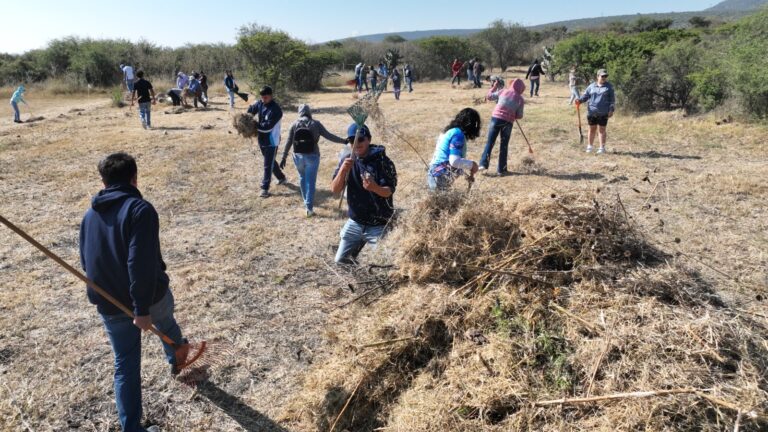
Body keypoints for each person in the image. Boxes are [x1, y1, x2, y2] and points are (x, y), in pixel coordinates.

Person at [80, 152, 187, 432]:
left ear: (103, 182)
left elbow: (86, 259)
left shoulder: (89, 214)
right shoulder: (141, 210)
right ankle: (177, 357)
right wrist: (140, 309)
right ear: (134, 178)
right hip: (146, 297)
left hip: (109, 300)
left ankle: (177, 358)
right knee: (162, 325)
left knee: (125, 362)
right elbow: (140, 262)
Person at [330, 123, 397, 264]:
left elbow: (388, 192)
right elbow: (335, 190)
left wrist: (374, 187)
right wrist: (343, 170)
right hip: (356, 222)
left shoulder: (383, 162)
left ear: (369, 139)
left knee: (386, 264)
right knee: (340, 261)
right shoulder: (347, 160)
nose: (356, 143)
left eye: (360, 139)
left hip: (378, 224)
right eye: (351, 140)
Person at [279, 104, 346, 217]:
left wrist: (284, 157)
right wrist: (343, 141)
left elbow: (289, 141)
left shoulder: (294, 124)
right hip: (312, 156)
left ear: (299, 113)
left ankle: (306, 202)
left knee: (302, 178)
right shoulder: (316, 124)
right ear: (309, 112)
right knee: (310, 181)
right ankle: (309, 208)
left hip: (298, 156)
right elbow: (329, 136)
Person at [427, 108, 482, 190]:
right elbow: (454, 161)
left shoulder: (449, 131)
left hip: (434, 173)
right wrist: (472, 165)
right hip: (440, 176)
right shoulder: (457, 134)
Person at [247, 86, 287, 197]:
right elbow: (251, 110)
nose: (264, 99)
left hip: (271, 140)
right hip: (261, 138)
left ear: (271, 96)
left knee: (267, 164)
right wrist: (246, 118)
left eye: (266, 97)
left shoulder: (276, 110)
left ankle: (265, 188)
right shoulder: (260, 103)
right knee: (270, 160)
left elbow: (267, 127)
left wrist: (254, 125)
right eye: (262, 97)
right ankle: (281, 178)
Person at [479, 78, 526, 174]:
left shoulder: (503, 91)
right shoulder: (520, 99)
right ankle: (502, 169)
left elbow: (489, 96)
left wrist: (494, 87)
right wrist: (514, 114)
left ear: (511, 84)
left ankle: (483, 164)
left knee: (490, 142)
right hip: (508, 122)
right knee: (504, 145)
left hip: (495, 119)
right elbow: (520, 115)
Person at [576, 69, 615, 154]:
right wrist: (579, 100)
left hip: (603, 112)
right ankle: (589, 147)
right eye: (602, 76)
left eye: (605, 76)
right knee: (592, 129)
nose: (604, 78)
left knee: (602, 130)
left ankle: (602, 148)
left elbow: (612, 100)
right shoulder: (591, 86)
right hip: (592, 112)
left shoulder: (609, 87)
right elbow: (585, 96)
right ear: (597, 76)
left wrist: (611, 110)